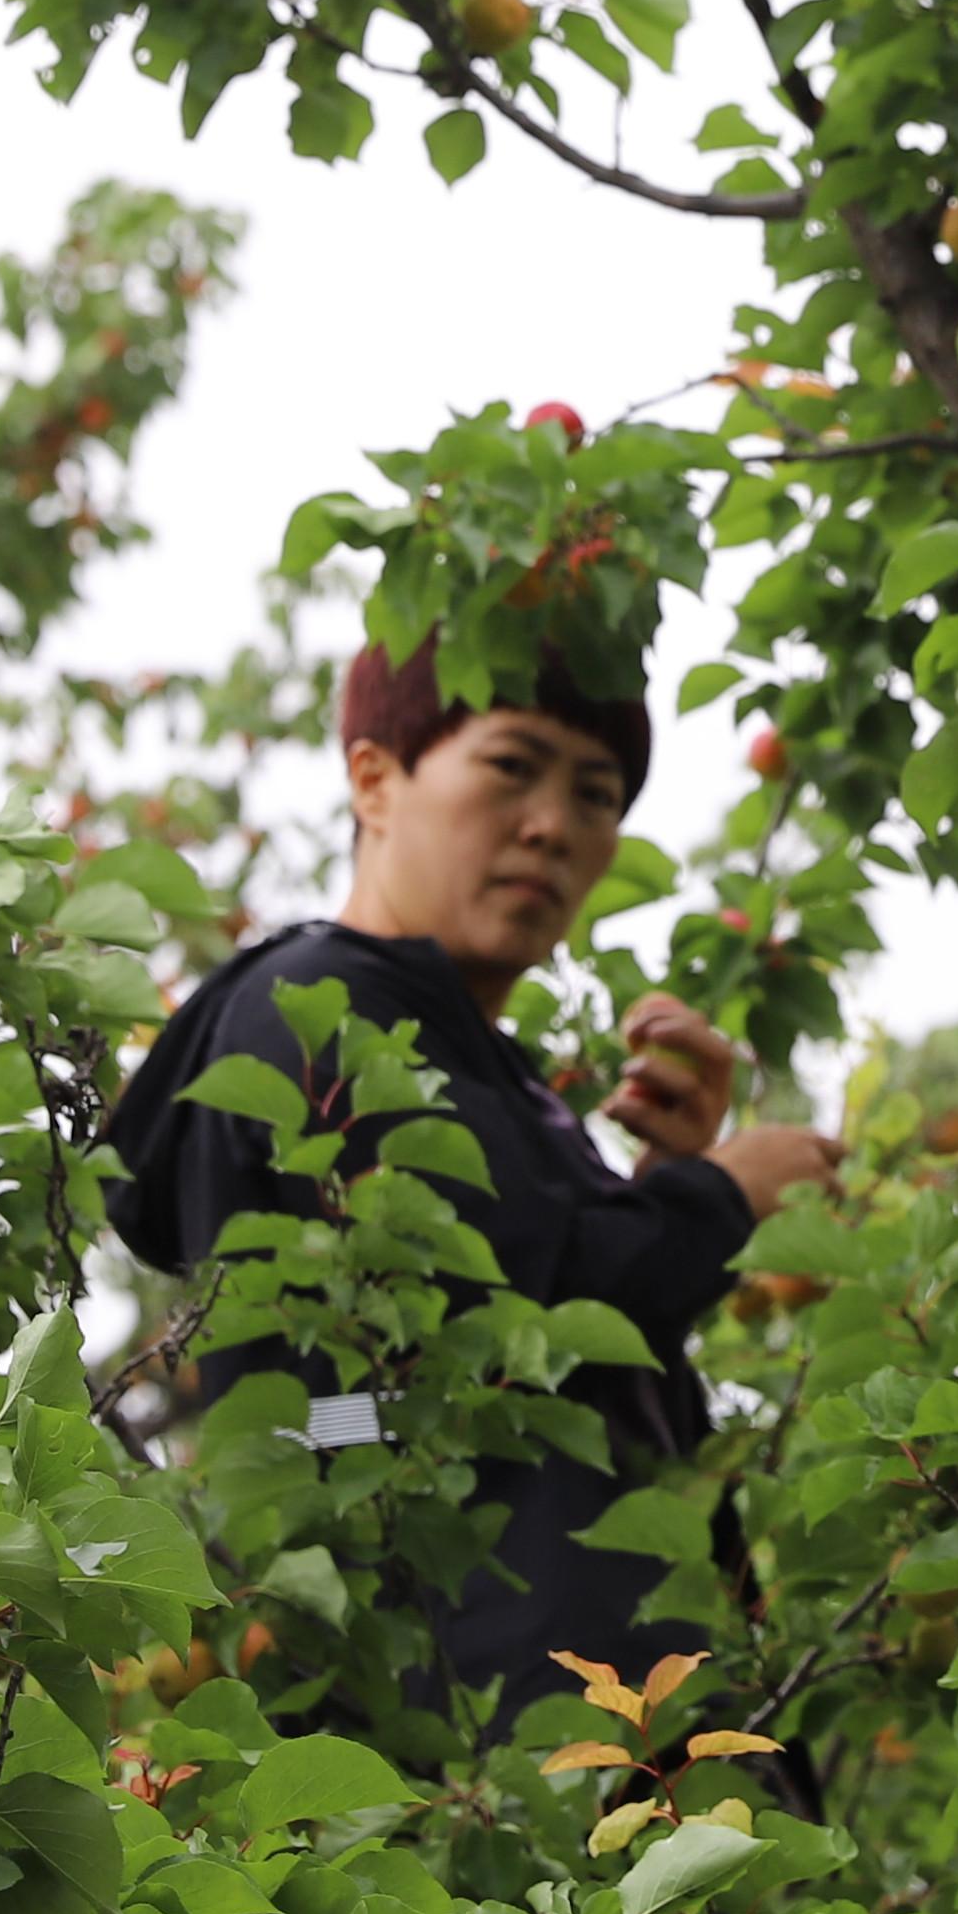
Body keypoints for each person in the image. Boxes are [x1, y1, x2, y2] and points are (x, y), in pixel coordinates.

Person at [104, 637, 836, 1711]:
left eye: (597, 794)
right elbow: (479, 1353)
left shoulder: (473, 1066)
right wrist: (721, 1197)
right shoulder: (320, 1005)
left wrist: (660, 1182)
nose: (554, 825)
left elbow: (497, 1354)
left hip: (604, 1728)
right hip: (495, 1725)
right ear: (375, 779)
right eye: (510, 765)